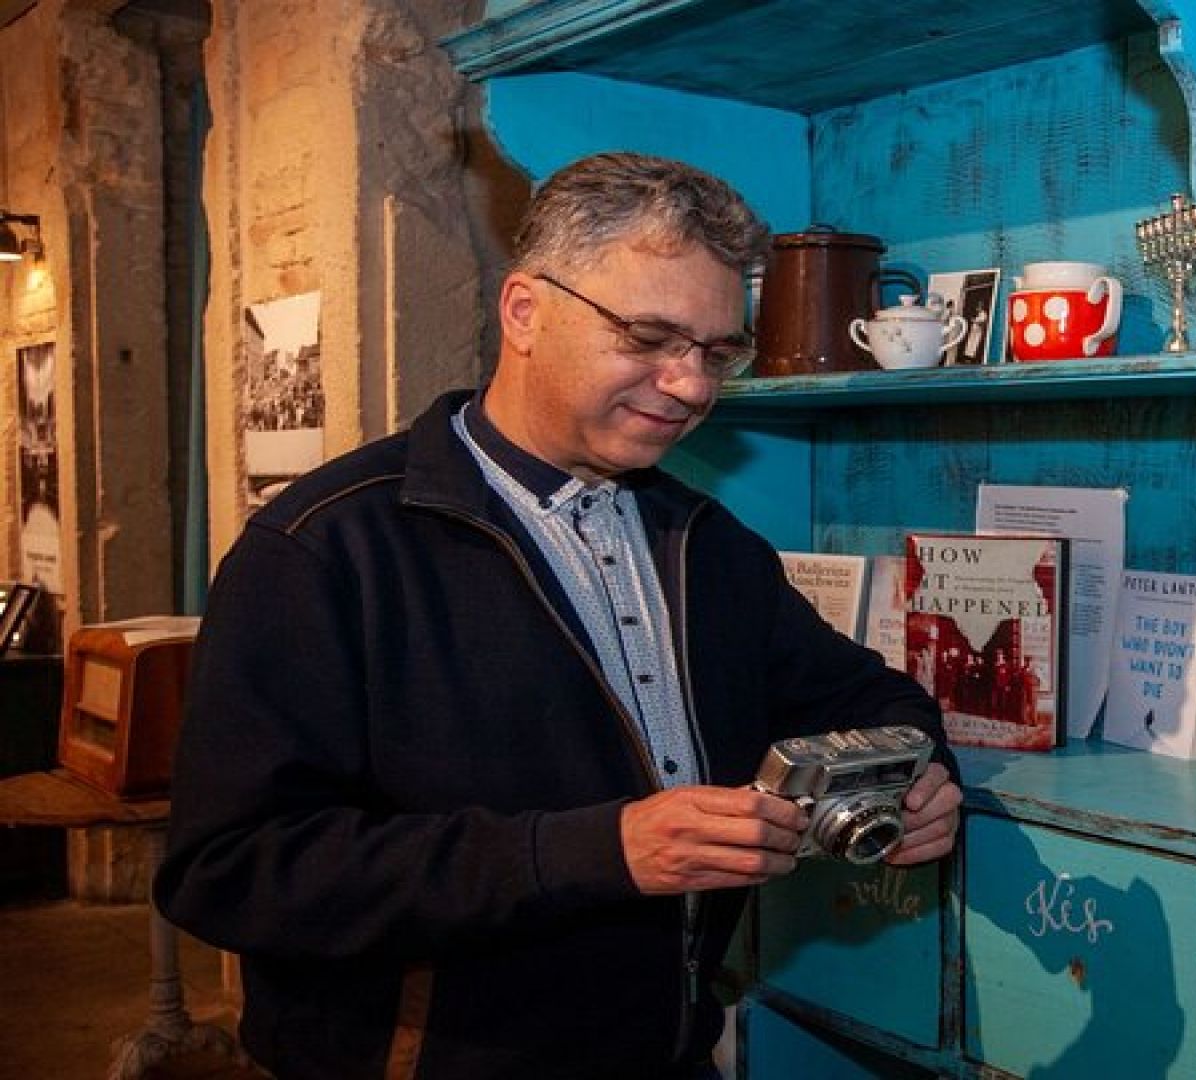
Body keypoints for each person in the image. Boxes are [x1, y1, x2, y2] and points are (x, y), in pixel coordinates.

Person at [155, 152, 963, 1079]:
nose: (692, 386)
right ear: (525, 311)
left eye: (716, 352)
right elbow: (231, 871)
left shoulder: (708, 544)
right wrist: (597, 850)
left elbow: (866, 695)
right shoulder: (324, 547)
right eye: (650, 336)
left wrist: (913, 771)